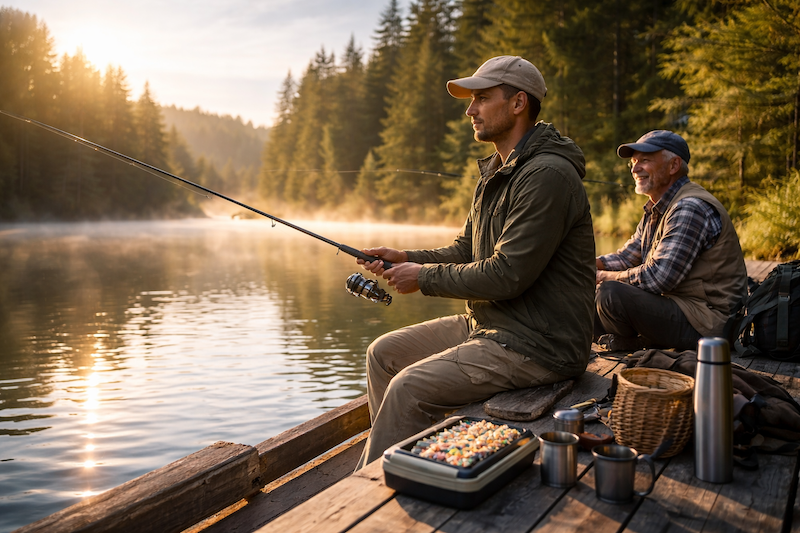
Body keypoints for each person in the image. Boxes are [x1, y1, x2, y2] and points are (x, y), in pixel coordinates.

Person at [353, 55, 596, 469]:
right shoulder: (497, 172)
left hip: (540, 344)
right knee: (383, 354)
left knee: (407, 388)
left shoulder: (548, 176)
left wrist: (424, 277)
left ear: (518, 103)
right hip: (494, 324)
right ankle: (413, 463)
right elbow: (466, 251)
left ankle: (370, 491)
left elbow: (507, 275)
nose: (470, 110)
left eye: (481, 98)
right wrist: (406, 257)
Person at [594, 130, 748, 352]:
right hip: (683, 309)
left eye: (644, 161)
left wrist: (602, 277)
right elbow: (628, 256)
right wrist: (587, 267)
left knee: (610, 294)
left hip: (709, 324)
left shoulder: (689, 207)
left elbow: (658, 278)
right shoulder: (658, 207)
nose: (635, 169)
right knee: (589, 298)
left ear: (674, 166)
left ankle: (630, 341)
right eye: (634, 162)